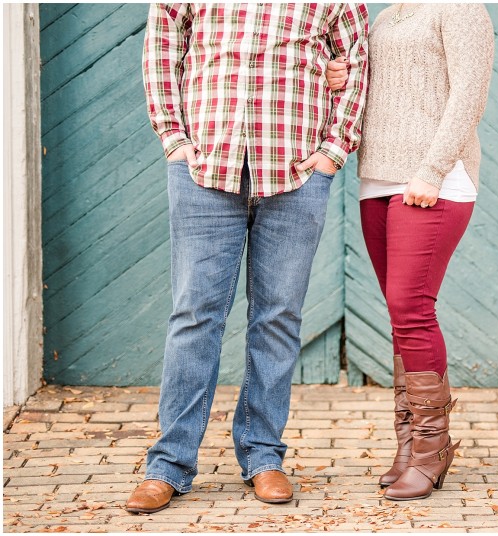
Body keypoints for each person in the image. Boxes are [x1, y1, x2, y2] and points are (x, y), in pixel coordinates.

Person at [126, 3, 368, 514]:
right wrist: (173, 139)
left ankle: (263, 456)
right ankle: (168, 464)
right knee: (195, 315)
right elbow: (162, 50)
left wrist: (332, 151)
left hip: (296, 169)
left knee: (278, 316)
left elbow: (357, 61)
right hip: (205, 167)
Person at [326, 3, 494, 501]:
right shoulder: (387, 16)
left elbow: (469, 93)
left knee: (412, 308)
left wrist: (433, 168)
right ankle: (409, 446)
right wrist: (344, 75)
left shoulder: (461, 9)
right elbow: (387, 86)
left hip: (432, 178)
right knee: (401, 314)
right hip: (377, 177)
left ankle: (431, 449)